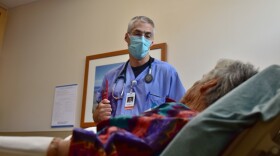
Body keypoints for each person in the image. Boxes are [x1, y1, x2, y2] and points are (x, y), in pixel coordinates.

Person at [46, 58, 258, 156]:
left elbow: (103, 148)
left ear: (207, 86)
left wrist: (57, 147)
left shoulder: (178, 116)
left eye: (199, 79)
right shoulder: (222, 137)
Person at [93, 16, 186, 123]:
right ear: (127, 37)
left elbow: (183, 112)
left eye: (147, 35)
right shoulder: (110, 76)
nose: (142, 39)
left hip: (151, 138)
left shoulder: (167, 73)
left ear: (152, 42)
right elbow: (97, 116)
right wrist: (98, 114)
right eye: (137, 34)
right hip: (116, 137)